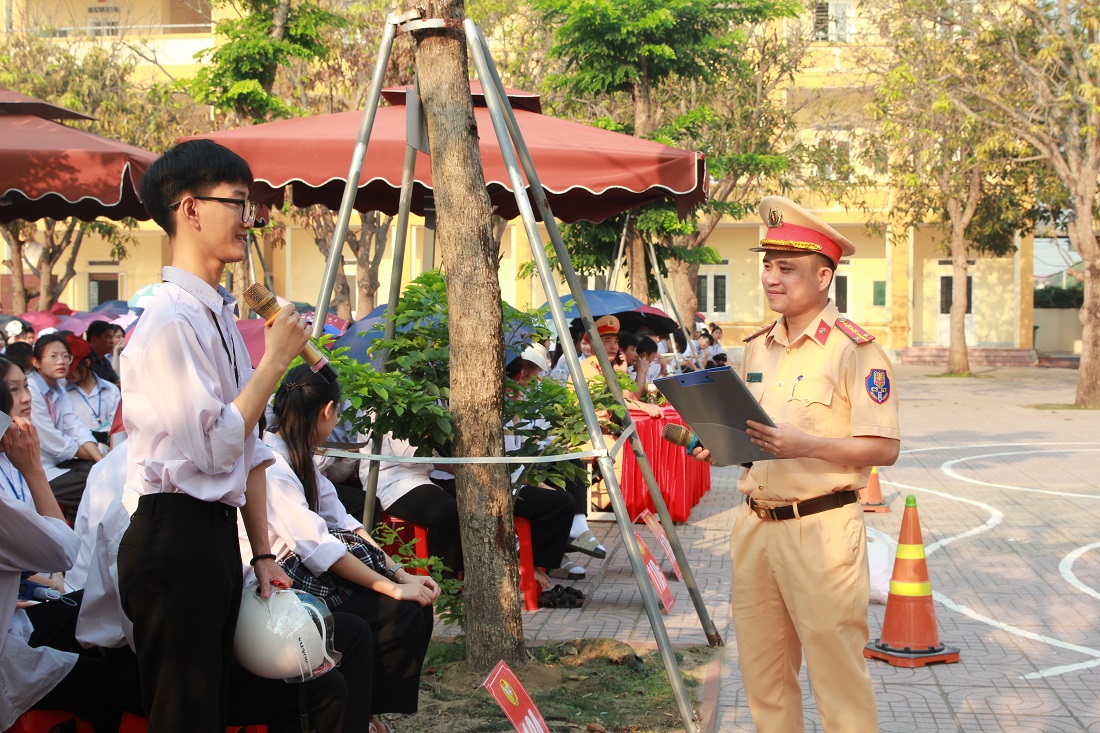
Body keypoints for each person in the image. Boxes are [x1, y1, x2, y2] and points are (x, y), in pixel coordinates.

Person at [117, 139, 309, 733]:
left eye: (249, 205)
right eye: (236, 203)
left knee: (214, 708)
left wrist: (263, 554)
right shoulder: (170, 320)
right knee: (186, 716)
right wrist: (273, 363)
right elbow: (215, 445)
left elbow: (248, 452)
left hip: (212, 539)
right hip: (171, 538)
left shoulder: (218, 314)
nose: (247, 220)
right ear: (189, 209)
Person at [692, 196, 900, 732]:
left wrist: (803, 444)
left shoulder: (855, 350)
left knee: (837, 679)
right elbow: (759, 436)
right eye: (767, 265)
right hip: (755, 526)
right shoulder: (758, 346)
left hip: (823, 529)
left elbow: (883, 448)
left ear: (824, 276)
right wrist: (721, 445)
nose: (770, 278)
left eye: (786, 268)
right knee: (764, 677)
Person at [260, 364, 439, 733]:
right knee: (398, 611)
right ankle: (363, 716)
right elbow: (318, 548)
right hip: (279, 588)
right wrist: (393, 587)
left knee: (415, 608)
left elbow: (345, 523)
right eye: (337, 412)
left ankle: (370, 711)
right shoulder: (273, 465)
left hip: (311, 576)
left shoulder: (301, 456)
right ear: (327, 412)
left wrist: (402, 574)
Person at [28, 334, 102, 521]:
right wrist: (94, 458)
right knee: (93, 481)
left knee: (96, 470)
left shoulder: (59, 389)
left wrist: (100, 461)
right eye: (53, 356)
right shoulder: (30, 388)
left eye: (66, 356)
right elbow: (50, 439)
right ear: (36, 362)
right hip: (38, 467)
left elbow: (75, 427)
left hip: (57, 462)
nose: (61, 361)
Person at [65, 335, 120, 447]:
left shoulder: (111, 390)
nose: (68, 373)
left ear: (87, 363)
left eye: (73, 367)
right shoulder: (63, 395)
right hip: (84, 456)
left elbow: (118, 427)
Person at [85, 321, 121, 386]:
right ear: (94, 339)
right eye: (108, 337)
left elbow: (116, 381)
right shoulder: (84, 360)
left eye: (113, 337)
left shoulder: (104, 361)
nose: (112, 341)